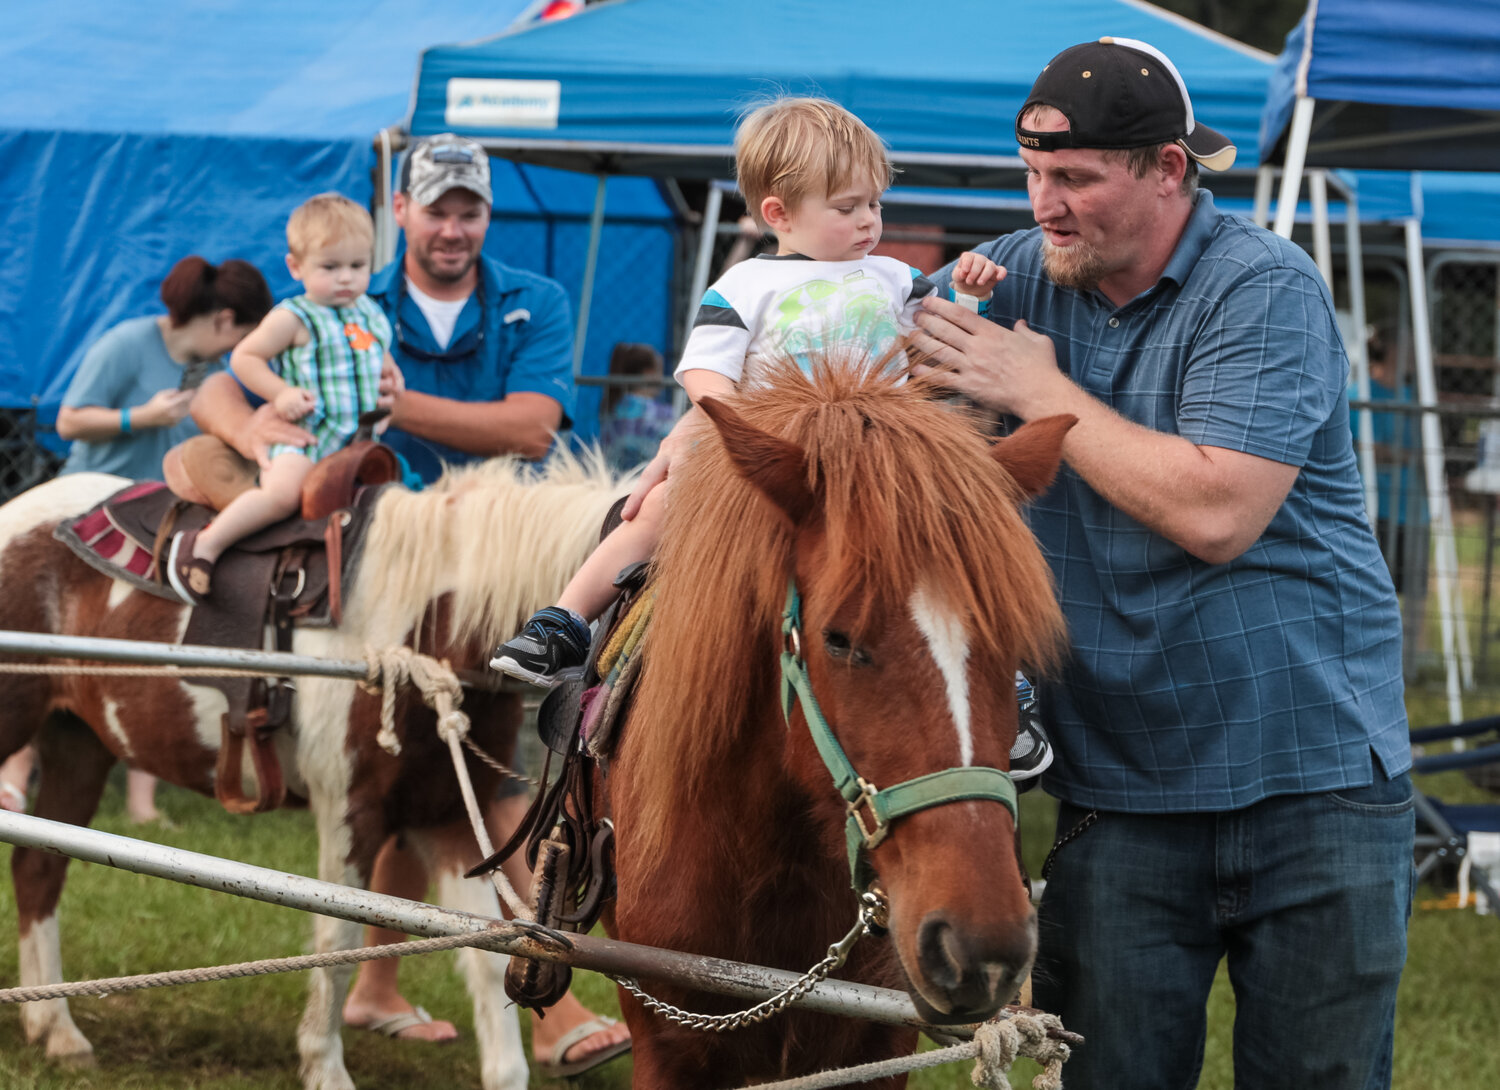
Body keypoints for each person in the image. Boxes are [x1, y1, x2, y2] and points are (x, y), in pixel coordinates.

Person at [907, 38, 1413, 1090]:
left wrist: (1039, 391)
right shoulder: (1010, 279)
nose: (1045, 204)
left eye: (1077, 179)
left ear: (1168, 170)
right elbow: (887, 379)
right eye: (1034, 174)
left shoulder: (1263, 285)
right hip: (1117, 789)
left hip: (1308, 780)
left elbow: (1220, 509)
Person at [188, 135, 629, 1073]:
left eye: (470, 210)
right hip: (372, 561)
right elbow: (219, 391)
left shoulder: (528, 299)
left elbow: (534, 423)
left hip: (486, 576)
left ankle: (420, 989)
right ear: (402, 210)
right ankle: (513, 999)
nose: (454, 228)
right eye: (438, 209)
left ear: (486, 218)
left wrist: (401, 405)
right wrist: (254, 420)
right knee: (426, 778)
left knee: (466, 778)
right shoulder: (349, 286)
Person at [13, 254, 273, 822]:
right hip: (92, 519)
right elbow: (69, 421)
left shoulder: (213, 376)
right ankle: (13, 783)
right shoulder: (126, 343)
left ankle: (142, 803)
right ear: (226, 320)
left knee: (144, 650)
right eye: (246, 336)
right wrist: (140, 419)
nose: (242, 350)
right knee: (40, 657)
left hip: (161, 526)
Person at [165, 195, 399, 605]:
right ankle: (203, 546)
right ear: (296, 267)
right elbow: (244, 357)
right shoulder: (294, 316)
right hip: (305, 436)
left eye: (357, 266)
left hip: (357, 443)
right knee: (282, 495)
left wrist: (391, 381)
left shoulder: (371, 313)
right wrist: (280, 392)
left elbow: (380, 358)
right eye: (330, 267)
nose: (346, 278)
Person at [598, 342, 676, 473]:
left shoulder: (610, 407)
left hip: (612, 482)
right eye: (659, 371)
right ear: (649, 373)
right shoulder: (664, 414)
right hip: (648, 483)